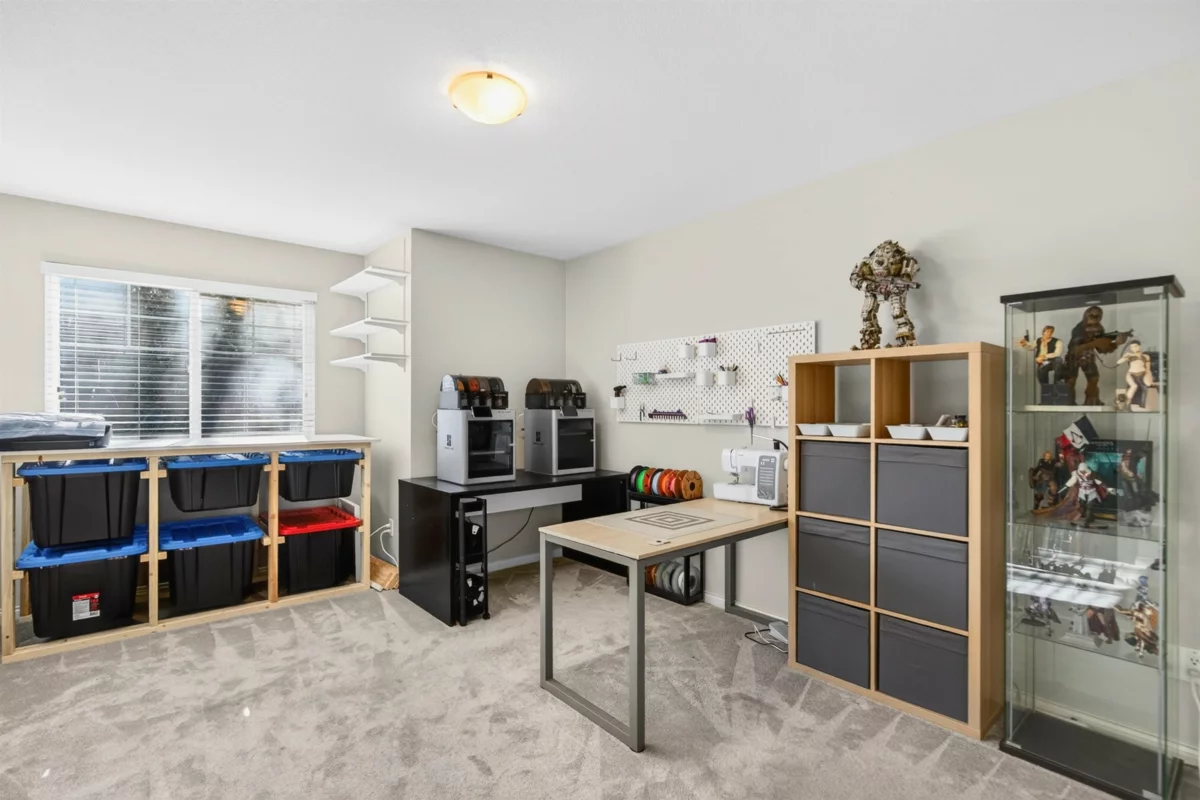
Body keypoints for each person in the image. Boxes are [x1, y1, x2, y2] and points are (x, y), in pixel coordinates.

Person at [1060, 461, 1106, 527]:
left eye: (1084, 470)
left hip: (1092, 492)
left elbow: (1099, 482)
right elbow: (1071, 481)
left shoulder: (1092, 474)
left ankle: (1087, 521)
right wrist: (1065, 487)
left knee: (1090, 506)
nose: (1082, 472)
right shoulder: (1076, 474)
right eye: (1081, 471)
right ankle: (1090, 517)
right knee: (1083, 506)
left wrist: (1107, 488)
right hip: (1082, 493)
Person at [1117, 340, 1155, 410]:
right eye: (1132, 347)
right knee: (1134, 386)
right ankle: (1126, 402)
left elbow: (1148, 368)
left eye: (1135, 346)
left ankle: (1141, 405)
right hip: (1131, 374)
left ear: (1139, 346)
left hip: (1142, 374)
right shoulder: (1128, 355)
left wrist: (1149, 376)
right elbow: (1118, 362)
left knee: (1147, 385)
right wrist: (1127, 356)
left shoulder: (1145, 356)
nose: (1133, 348)